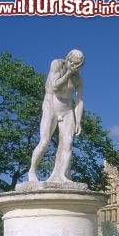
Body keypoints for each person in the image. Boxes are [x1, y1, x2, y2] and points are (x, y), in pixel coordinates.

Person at [28, 49, 84, 183]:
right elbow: (55, 87)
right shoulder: (56, 64)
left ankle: (62, 175)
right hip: (51, 106)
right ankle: (32, 171)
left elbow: (79, 100)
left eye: (79, 65)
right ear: (68, 59)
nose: (76, 67)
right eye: (74, 63)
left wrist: (78, 122)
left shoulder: (78, 78)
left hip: (67, 110)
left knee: (68, 143)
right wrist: (69, 73)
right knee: (44, 141)